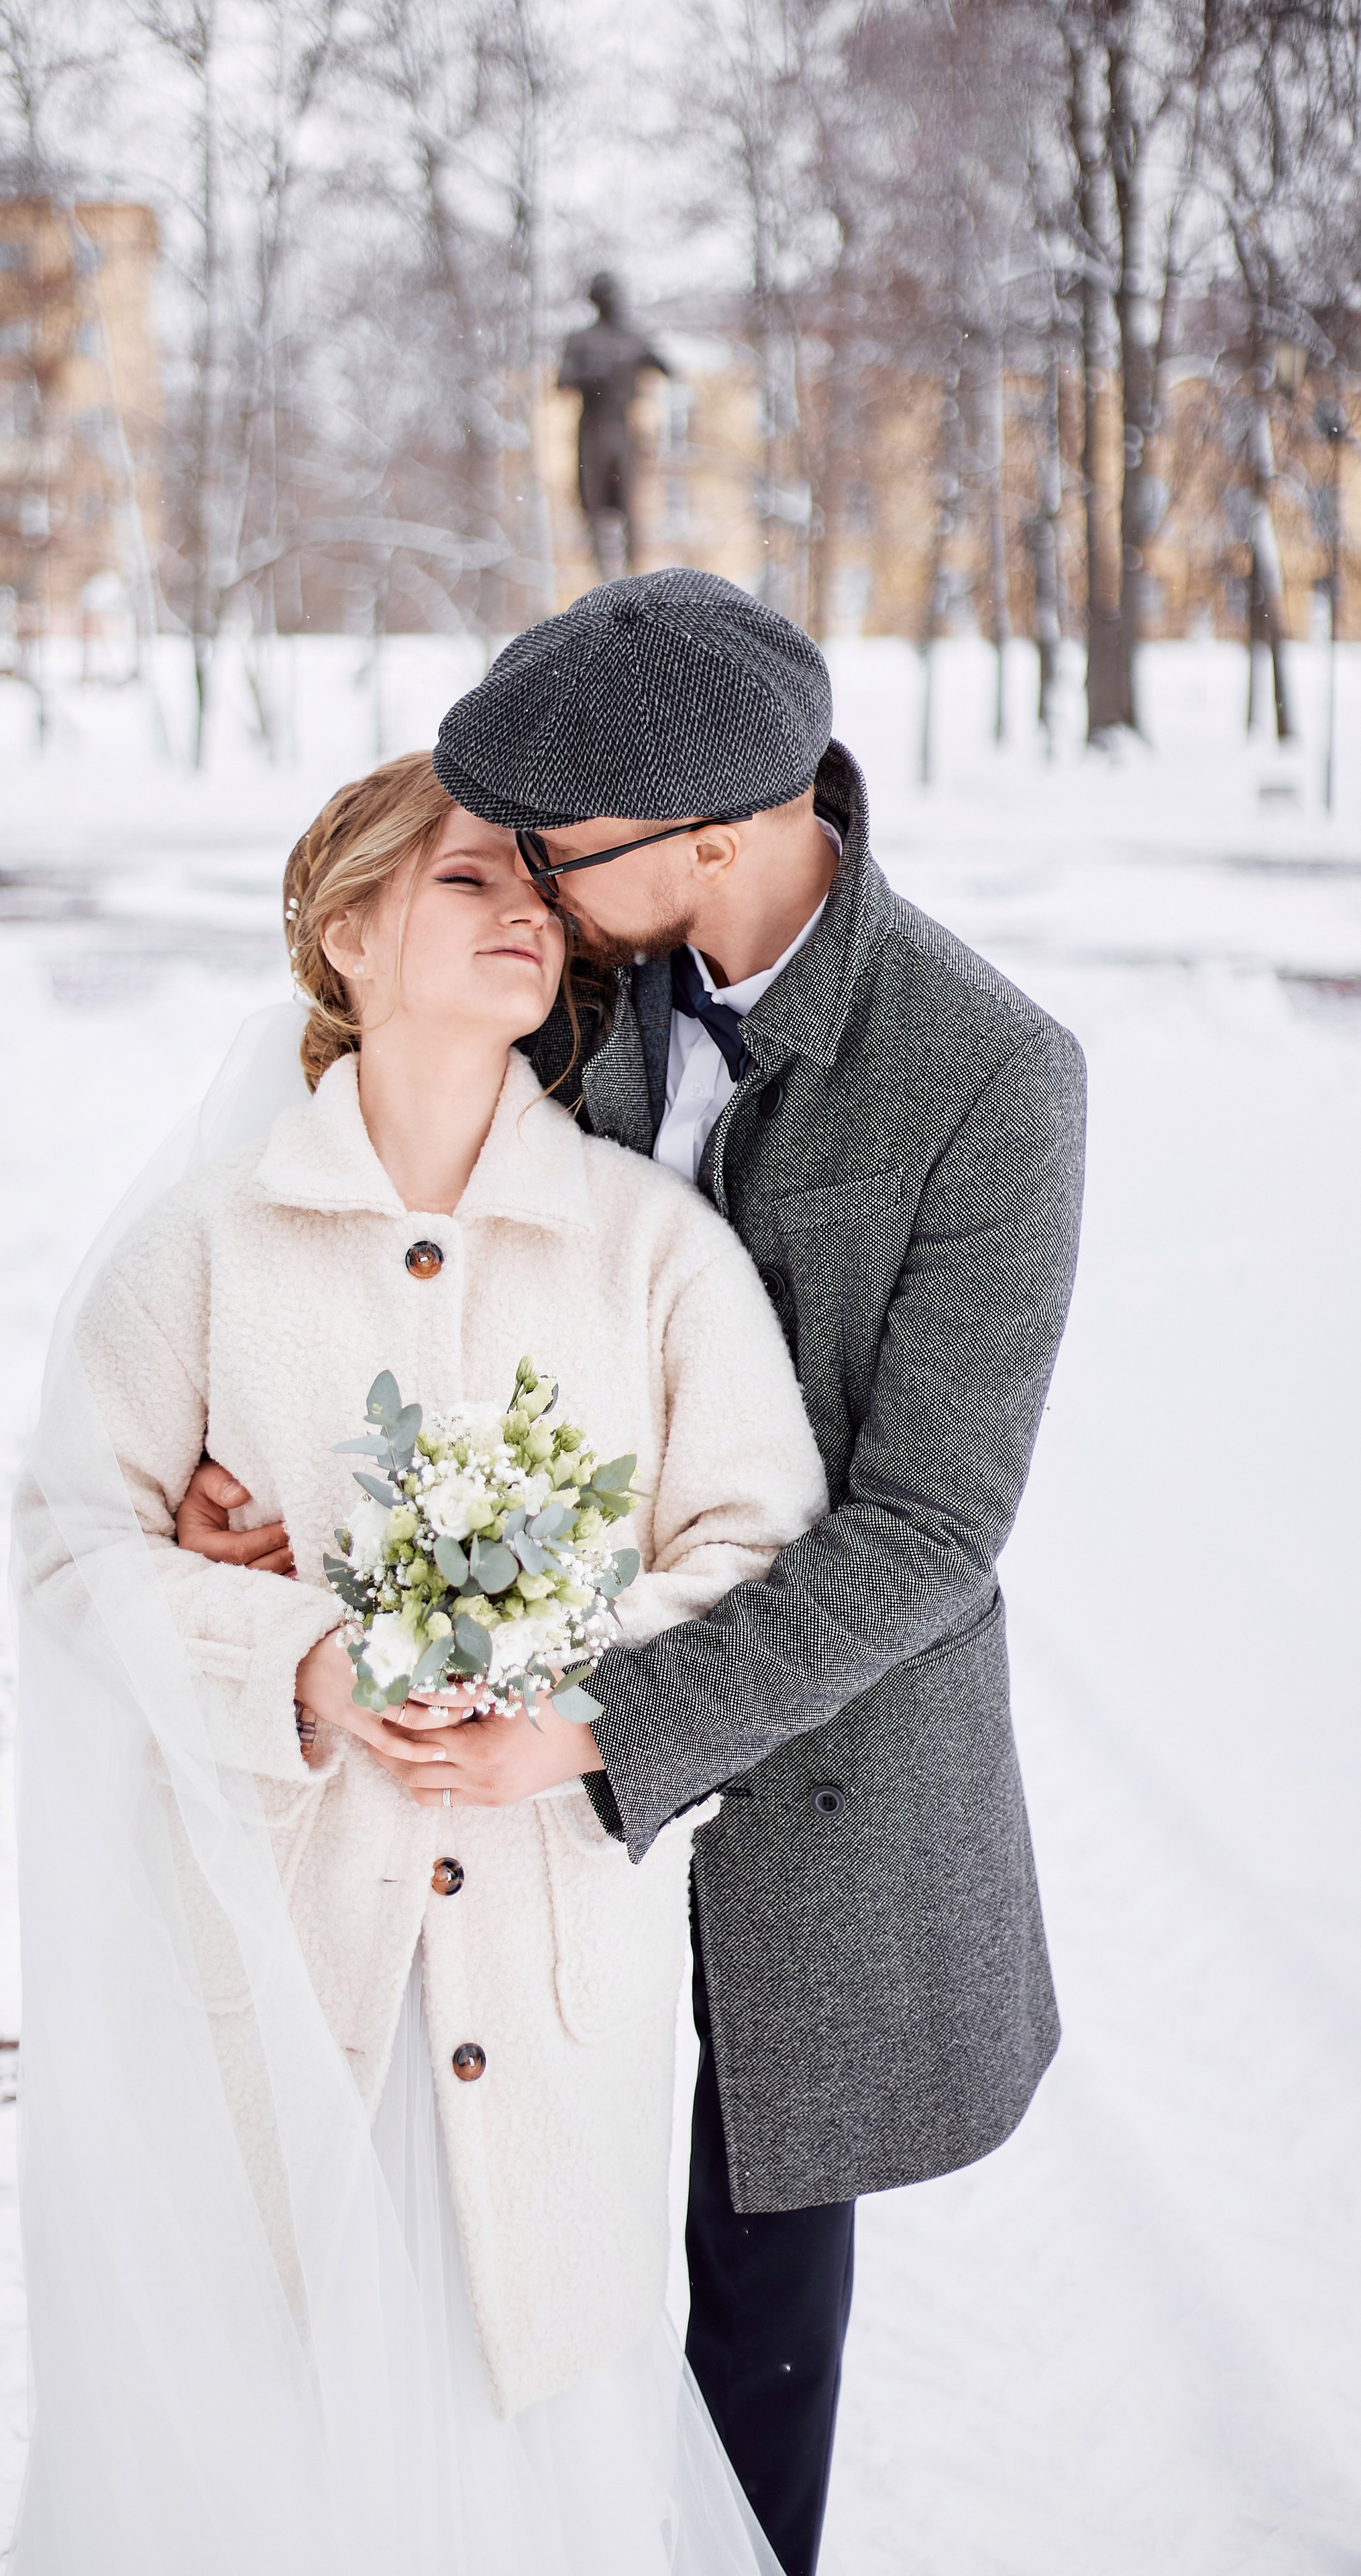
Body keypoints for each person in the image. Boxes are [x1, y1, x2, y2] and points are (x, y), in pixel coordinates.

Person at [178, 567, 1089, 2574]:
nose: (520, 879)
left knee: (751, 2314)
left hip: (792, 1783)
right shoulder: (569, 969)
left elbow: (933, 1523)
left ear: (718, 833)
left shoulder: (988, 1076)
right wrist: (269, 1495)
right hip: (478, 1780)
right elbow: (393, 1256)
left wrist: (607, 1731)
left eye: (561, 850)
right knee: (491, 2275)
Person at [11, 747, 829, 2573]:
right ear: (347, 932)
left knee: (531, 2444)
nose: (528, 912)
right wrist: (303, 1658)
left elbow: (758, 1551)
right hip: (288, 1975)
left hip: (552, 1989)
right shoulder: (205, 1249)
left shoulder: (653, 1250)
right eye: (470, 882)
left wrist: (575, 1691)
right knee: (289, 2446)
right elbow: (67, 1547)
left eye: (543, 888)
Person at [557, 271, 673, 577]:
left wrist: (644, 355)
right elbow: (562, 381)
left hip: (625, 429)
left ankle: (635, 579)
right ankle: (602, 580)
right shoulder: (582, 340)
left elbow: (666, 368)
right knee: (593, 504)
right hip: (592, 429)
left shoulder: (633, 337)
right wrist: (591, 374)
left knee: (629, 505)